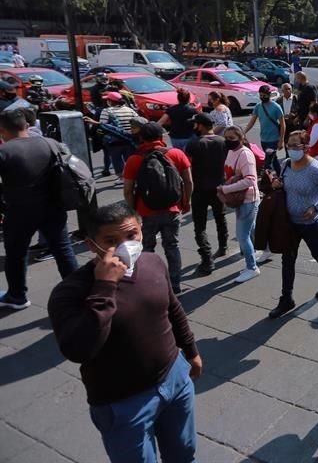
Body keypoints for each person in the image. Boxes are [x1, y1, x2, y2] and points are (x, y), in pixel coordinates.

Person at [47, 202, 202, 463]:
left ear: (141, 230)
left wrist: (191, 351)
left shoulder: (152, 262)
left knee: (184, 453)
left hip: (174, 379)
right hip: (122, 403)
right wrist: (105, 286)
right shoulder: (69, 293)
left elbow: (173, 308)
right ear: (91, 244)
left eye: (131, 235)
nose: (123, 245)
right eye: (110, 240)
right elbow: (79, 349)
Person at [0, 109, 79, 310]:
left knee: (16, 253)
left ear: (2, 130)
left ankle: (17, 296)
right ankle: (78, 293)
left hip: (20, 210)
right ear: (26, 125)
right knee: (63, 250)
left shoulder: (5, 152)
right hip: (53, 205)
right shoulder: (49, 143)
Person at [266, 129, 318, 318]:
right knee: (287, 261)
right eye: (289, 145)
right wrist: (276, 182)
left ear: (306, 148)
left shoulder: (314, 169)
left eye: (295, 145)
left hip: (310, 224)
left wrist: (316, 208)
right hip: (289, 223)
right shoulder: (286, 164)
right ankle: (286, 299)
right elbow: (283, 183)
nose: (291, 149)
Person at [122, 122, 193, 294]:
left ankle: (148, 284)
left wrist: (132, 211)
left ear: (141, 138)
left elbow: (128, 190)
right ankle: (175, 284)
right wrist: (186, 201)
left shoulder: (134, 160)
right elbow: (188, 182)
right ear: (162, 137)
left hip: (145, 211)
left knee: (146, 248)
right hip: (172, 209)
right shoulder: (176, 154)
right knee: (172, 246)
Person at [185, 113, 228, 274]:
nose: (194, 127)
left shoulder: (194, 144)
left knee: (200, 225)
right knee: (220, 217)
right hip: (218, 188)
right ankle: (223, 246)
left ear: (201, 125)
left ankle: (206, 257)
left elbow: (187, 168)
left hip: (200, 189)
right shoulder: (223, 141)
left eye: (195, 124)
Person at [220, 126, 262, 284]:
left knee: (242, 235)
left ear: (241, 138)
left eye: (232, 138)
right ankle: (266, 248)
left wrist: (226, 188)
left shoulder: (245, 154)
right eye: (226, 137)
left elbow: (250, 179)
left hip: (248, 199)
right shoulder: (232, 152)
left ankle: (252, 267)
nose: (228, 141)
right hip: (241, 199)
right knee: (250, 229)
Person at [86, 91, 139, 179]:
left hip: (114, 140)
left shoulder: (107, 111)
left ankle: (122, 177)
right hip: (129, 139)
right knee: (129, 160)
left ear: (110, 101)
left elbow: (103, 125)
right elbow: (138, 122)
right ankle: (132, 177)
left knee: (117, 159)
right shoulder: (130, 110)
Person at [244, 85, 285, 153]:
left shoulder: (276, 107)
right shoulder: (258, 106)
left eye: (264, 95)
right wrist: (244, 132)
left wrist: (281, 140)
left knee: (268, 160)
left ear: (269, 95)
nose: (262, 97)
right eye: (261, 95)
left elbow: (283, 125)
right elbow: (252, 122)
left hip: (274, 139)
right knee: (273, 160)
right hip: (263, 138)